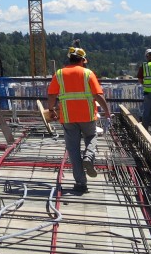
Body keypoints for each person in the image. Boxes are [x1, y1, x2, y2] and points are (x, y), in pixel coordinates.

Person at [46, 43, 110, 195]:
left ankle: (81, 184)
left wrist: (51, 110)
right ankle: (88, 156)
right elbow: (98, 95)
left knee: (73, 150)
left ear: (69, 59)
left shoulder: (59, 74)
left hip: (68, 117)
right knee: (92, 135)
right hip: (87, 115)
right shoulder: (88, 73)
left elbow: (51, 95)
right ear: (82, 60)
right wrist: (107, 111)